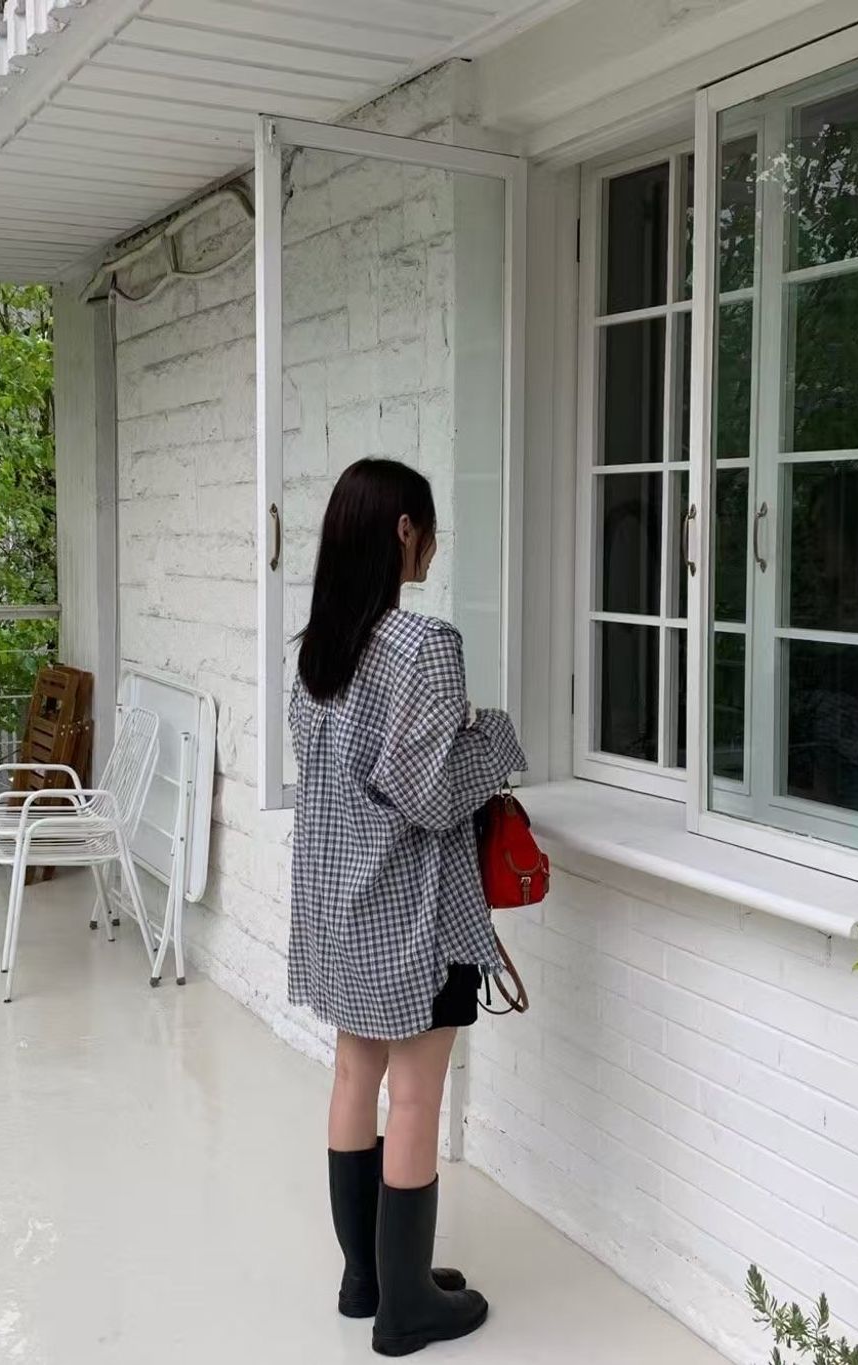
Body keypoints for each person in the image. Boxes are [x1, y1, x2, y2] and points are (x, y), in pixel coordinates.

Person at [288, 458, 525, 1357]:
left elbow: (343, 774)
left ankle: (368, 1280)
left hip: (337, 901)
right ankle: (409, 1308)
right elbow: (427, 794)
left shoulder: (318, 648)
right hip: (411, 909)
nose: (435, 543)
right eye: (429, 526)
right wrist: (493, 737)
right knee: (418, 1090)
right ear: (401, 530)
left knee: (355, 1074)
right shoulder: (424, 646)